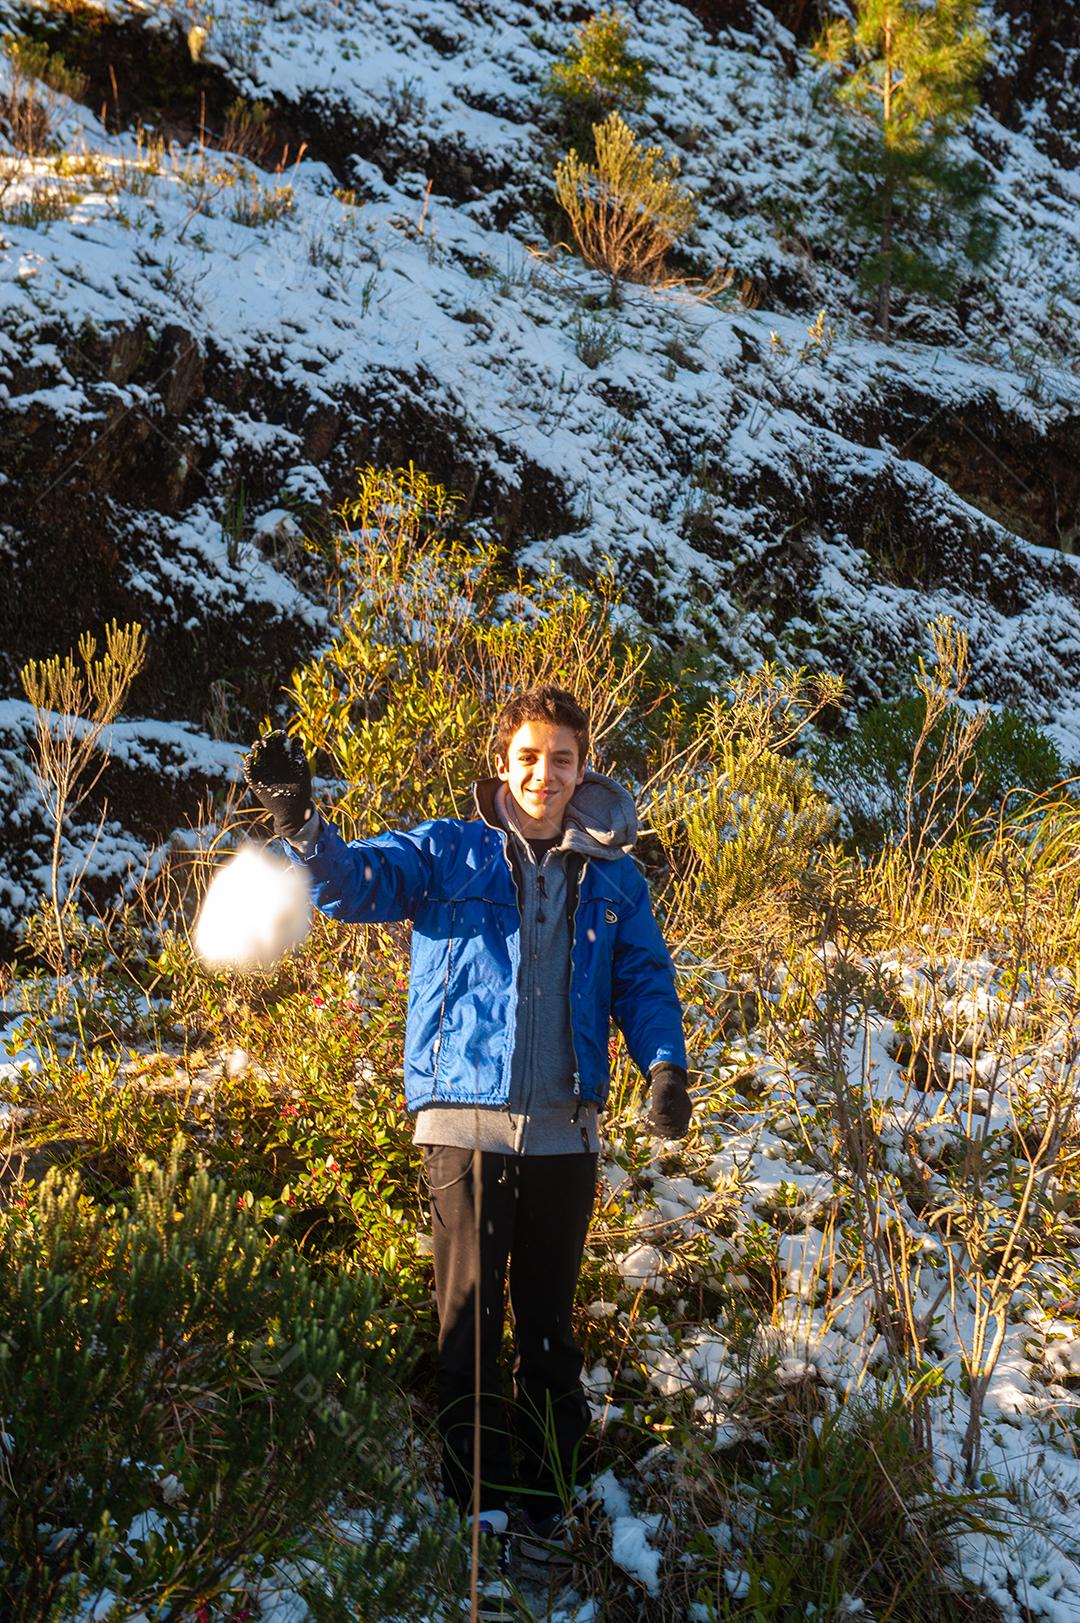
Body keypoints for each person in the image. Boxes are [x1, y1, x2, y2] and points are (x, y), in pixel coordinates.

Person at [243, 686, 690, 1608]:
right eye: (530, 756)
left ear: (582, 767)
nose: (544, 774)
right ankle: (473, 1507)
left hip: (566, 1133)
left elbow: (644, 979)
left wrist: (663, 1065)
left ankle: (546, 1506)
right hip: (465, 1123)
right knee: (468, 1325)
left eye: (562, 758)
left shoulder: (615, 872)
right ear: (504, 762)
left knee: (551, 1330)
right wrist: (301, 823)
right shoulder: (447, 848)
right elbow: (352, 884)